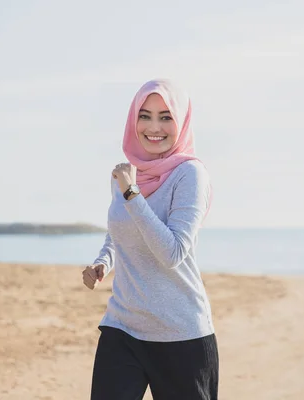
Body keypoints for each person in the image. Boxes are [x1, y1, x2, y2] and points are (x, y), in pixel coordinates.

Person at [82, 79, 218, 400]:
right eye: (144, 116)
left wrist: (132, 193)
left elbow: (172, 252)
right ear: (133, 120)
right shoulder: (124, 175)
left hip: (179, 333)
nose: (154, 127)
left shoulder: (189, 175)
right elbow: (120, 229)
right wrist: (104, 261)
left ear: (181, 122)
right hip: (123, 326)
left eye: (165, 117)